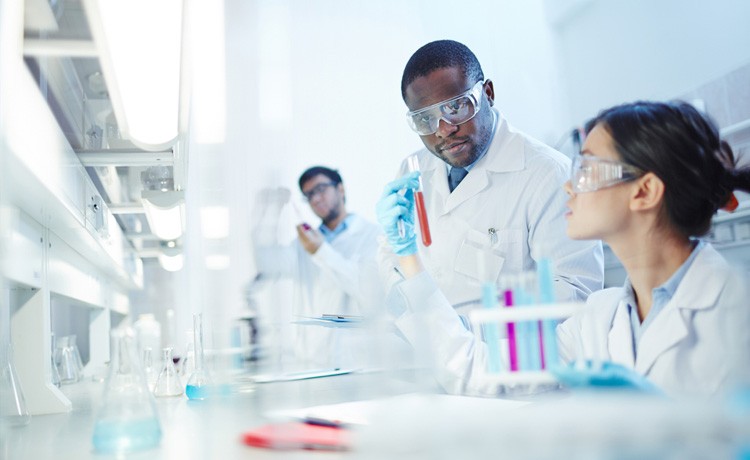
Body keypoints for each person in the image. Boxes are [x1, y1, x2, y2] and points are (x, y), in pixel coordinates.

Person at [376, 100, 750, 397]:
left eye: (586, 170)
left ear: (645, 191)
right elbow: (479, 369)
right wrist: (409, 260)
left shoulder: (737, 309)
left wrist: (666, 420)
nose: (569, 186)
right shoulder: (600, 318)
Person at [379, 40, 603, 319]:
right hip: (430, 353)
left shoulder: (548, 174)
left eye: (457, 106)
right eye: (426, 119)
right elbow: (391, 260)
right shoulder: (412, 170)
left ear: (487, 93)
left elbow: (576, 295)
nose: (445, 129)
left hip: (508, 356)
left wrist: (469, 335)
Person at [251, 166, 383, 369]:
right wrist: (271, 211)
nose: (315, 199)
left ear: (340, 189)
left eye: (321, 189)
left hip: (356, 363)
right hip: (313, 361)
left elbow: (366, 291)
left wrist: (321, 251)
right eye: (309, 195)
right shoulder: (302, 245)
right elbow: (266, 262)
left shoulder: (372, 236)